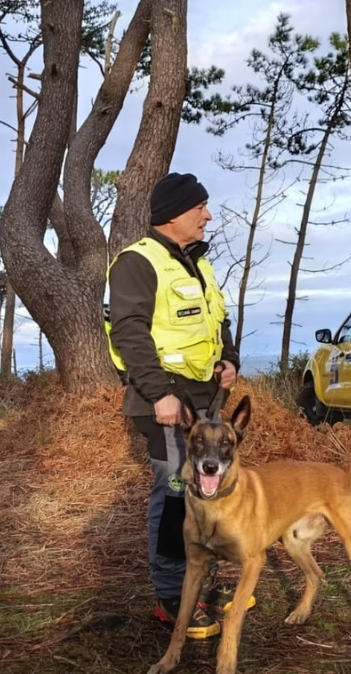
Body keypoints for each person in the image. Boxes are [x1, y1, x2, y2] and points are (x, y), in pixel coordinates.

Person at [106, 172, 246, 639]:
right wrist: (158, 393)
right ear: (174, 214)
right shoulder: (137, 261)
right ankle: (170, 594)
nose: (208, 216)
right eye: (200, 208)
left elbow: (216, 318)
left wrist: (229, 359)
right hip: (163, 402)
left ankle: (203, 583)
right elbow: (129, 332)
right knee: (172, 495)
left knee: (213, 491)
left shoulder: (196, 263)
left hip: (207, 401)